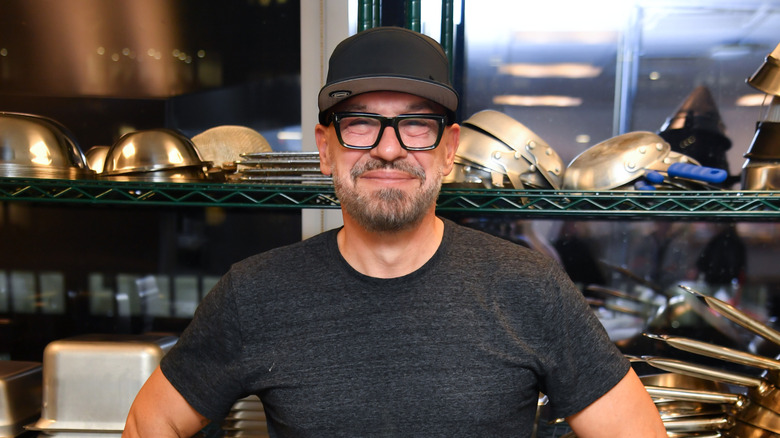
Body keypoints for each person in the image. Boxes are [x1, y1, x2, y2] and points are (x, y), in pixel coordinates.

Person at [123, 26, 666, 437]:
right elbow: (152, 423)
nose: (389, 148)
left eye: (415, 124)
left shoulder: (529, 287)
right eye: (360, 123)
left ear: (449, 149)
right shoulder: (255, 293)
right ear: (325, 148)